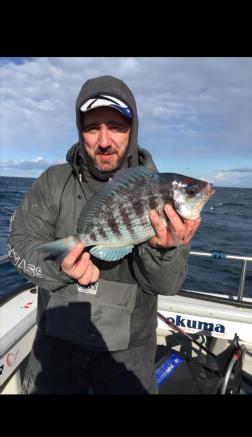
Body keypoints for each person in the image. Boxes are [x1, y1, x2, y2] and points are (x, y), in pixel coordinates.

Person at [8, 75, 201, 394]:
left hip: (128, 362)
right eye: (92, 127)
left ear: (133, 128)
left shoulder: (156, 190)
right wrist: (59, 268)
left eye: (116, 125)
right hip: (54, 358)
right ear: (79, 129)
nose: (104, 140)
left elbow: (166, 285)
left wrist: (165, 250)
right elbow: (19, 246)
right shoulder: (54, 182)